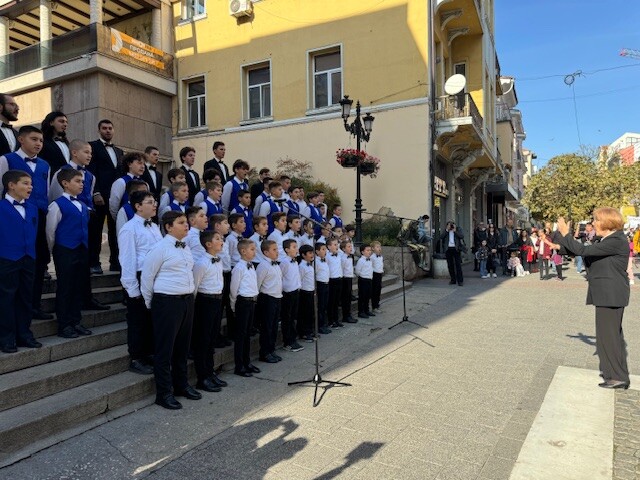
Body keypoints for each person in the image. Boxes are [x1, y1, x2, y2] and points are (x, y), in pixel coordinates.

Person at [556, 210, 631, 389]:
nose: (593, 223)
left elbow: (582, 250)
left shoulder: (616, 240)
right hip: (607, 294)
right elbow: (583, 252)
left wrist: (566, 233)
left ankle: (617, 376)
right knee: (608, 336)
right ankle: (615, 374)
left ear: (607, 222)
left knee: (609, 337)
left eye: (596, 220)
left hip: (611, 295)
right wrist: (560, 243)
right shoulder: (606, 240)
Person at [141, 211, 202, 410]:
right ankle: (164, 393)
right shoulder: (159, 248)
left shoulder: (185, 248)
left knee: (182, 348)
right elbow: (147, 278)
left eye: (187, 222)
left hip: (186, 301)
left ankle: (181, 385)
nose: (187, 226)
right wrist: (153, 305)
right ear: (168, 227)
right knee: (165, 350)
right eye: (182, 222)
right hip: (166, 302)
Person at [0, 126, 53, 320]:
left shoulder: (45, 164)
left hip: (37, 217)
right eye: (34, 139)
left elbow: (46, 192)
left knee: (38, 262)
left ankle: (34, 305)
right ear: (21, 139)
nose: (38, 143)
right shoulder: (7, 159)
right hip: (12, 218)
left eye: (41, 140)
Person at [117, 191, 162, 375]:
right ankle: (136, 357)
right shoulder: (129, 228)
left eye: (154, 202)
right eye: (150, 202)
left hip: (155, 277)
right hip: (138, 276)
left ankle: (149, 352)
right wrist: (132, 289)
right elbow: (127, 260)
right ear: (138, 206)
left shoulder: (154, 226)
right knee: (138, 319)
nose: (154, 205)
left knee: (150, 318)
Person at [46, 169, 92, 338]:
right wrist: (56, 249)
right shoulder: (57, 205)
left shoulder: (81, 205)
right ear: (65, 183)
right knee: (66, 287)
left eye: (82, 181)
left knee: (78, 286)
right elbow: (50, 230)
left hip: (81, 249)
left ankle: (75, 321)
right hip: (65, 250)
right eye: (78, 181)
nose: (82, 184)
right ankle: (64, 324)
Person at [0, 170, 42, 353]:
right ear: (11, 185)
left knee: (26, 298)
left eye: (31, 184)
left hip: (28, 258)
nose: (30, 187)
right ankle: (6, 338)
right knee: (6, 299)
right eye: (25, 183)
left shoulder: (32, 208)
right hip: (7, 259)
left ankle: (24, 334)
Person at [192, 230, 228, 392]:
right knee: (203, 340)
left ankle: (210, 372)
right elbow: (195, 286)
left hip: (217, 301)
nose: (222, 241)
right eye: (218, 239)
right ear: (208, 244)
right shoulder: (201, 263)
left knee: (212, 339)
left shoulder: (218, 261)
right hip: (204, 301)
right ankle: (202, 377)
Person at [87, 119, 124, 275]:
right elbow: (91, 170)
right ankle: (94, 263)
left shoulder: (119, 151)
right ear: (99, 130)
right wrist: (95, 192)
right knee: (95, 230)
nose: (108, 131)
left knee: (115, 230)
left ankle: (115, 262)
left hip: (115, 196)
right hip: (100, 195)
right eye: (104, 128)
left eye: (110, 128)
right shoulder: (92, 147)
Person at [229, 239, 261, 377]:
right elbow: (234, 288)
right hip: (242, 302)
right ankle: (239, 365)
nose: (255, 252)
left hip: (251, 301)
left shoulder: (251, 265)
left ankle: (247, 362)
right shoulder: (239, 268)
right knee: (241, 335)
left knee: (247, 334)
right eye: (252, 249)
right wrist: (233, 305)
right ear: (243, 251)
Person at [256, 240, 283, 363]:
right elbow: (258, 283)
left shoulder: (276, 264)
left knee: (273, 326)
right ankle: (265, 352)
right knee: (266, 327)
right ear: (266, 252)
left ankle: (271, 350)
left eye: (277, 249)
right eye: (274, 250)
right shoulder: (263, 265)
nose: (277, 252)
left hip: (277, 297)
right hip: (267, 298)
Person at [280, 239, 303, 352]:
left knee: (293, 317)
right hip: (287, 293)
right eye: (294, 247)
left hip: (295, 291)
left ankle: (293, 339)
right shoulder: (284, 262)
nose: (296, 249)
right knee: (287, 318)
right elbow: (281, 276)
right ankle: (287, 342)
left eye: (296, 246)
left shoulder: (295, 261)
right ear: (287, 250)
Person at [109, 152, 146, 220]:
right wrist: (119, 219)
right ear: (129, 164)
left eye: (144, 164)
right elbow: (114, 205)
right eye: (139, 163)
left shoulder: (145, 184)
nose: (143, 166)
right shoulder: (121, 182)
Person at [40, 111, 70, 178]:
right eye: (61, 121)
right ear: (51, 123)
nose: (65, 124)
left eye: (66, 122)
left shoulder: (66, 143)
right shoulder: (43, 142)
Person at [297, 244, 315, 342]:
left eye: (312, 252)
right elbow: (300, 279)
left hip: (311, 291)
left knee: (310, 313)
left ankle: (309, 330)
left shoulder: (310, 265)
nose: (312, 255)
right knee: (305, 314)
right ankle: (303, 333)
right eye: (309, 253)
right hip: (305, 292)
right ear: (303, 255)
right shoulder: (302, 266)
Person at [326, 238, 344, 329]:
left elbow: (341, 250)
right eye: (334, 245)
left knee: (337, 302)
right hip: (332, 280)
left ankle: (336, 320)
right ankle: (331, 321)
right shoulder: (327, 256)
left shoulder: (339, 254)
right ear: (329, 247)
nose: (337, 246)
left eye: (337, 244)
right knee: (331, 302)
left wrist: (338, 244)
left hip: (339, 279)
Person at [440, 221, 464, 286]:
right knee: (450, 265)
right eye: (449, 225)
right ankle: (453, 280)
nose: (451, 227)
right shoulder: (446, 231)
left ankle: (460, 281)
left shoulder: (458, 229)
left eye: (452, 225)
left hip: (456, 249)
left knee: (458, 265)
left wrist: (455, 231)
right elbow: (441, 237)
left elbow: (461, 236)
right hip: (448, 249)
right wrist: (447, 230)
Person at [314, 242, 331, 334]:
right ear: (317, 251)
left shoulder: (324, 260)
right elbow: (315, 275)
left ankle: (324, 324)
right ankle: (320, 326)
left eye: (326, 249)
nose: (326, 251)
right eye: (323, 249)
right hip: (320, 285)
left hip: (326, 284)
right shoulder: (316, 262)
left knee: (324, 305)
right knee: (320, 306)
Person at [355, 243, 374, 318]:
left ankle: (366, 310)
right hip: (363, 280)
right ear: (362, 252)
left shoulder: (370, 260)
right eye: (367, 250)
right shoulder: (361, 261)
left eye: (370, 250)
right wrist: (362, 277)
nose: (370, 252)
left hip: (369, 279)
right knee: (362, 296)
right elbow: (357, 271)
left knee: (367, 296)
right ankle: (361, 311)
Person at [340, 240, 356, 323]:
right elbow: (341, 269)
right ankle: (346, 316)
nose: (351, 248)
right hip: (345, 279)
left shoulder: (350, 257)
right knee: (346, 298)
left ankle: (348, 314)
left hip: (349, 278)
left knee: (349, 298)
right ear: (343, 249)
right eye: (348, 247)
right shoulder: (343, 258)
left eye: (351, 246)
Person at [370, 241, 384, 313]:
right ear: (372, 248)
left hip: (379, 274)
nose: (379, 248)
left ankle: (377, 304)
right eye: (377, 247)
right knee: (374, 291)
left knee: (378, 290)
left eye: (380, 247)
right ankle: (374, 306)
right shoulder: (372, 257)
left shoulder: (381, 256)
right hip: (374, 275)